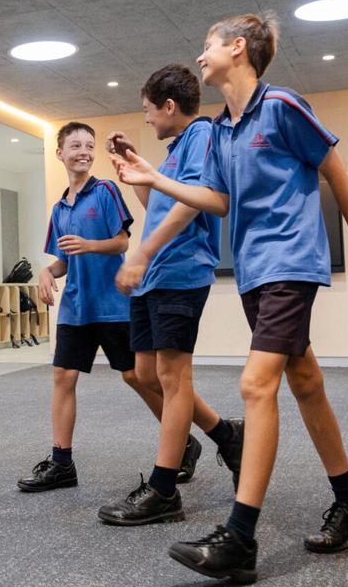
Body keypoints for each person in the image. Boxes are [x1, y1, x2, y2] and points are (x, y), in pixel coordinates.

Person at [113, 12, 348, 583]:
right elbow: (213, 201)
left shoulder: (282, 107)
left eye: (207, 44)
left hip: (292, 261)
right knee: (304, 379)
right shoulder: (222, 130)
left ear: (238, 49)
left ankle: (240, 537)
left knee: (254, 383)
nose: (199, 56)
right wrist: (152, 177)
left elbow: (335, 171)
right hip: (254, 272)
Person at [95, 67, 244, 527]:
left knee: (173, 375)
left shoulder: (201, 136)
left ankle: (162, 491)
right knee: (144, 373)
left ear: (169, 107)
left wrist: (142, 253)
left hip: (180, 271)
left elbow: (191, 203)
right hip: (153, 275)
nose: (147, 120)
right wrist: (133, 168)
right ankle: (226, 434)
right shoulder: (177, 148)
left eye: (148, 112)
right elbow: (156, 204)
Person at [17, 122, 147, 492]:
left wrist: (89, 246)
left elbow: (122, 243)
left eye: (89, 145)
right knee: (64, 377)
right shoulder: (59, 208)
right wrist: (46, 271)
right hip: (76, 306)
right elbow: (63, 259)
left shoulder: (105, 191)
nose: (84, 151)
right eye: (75, 145)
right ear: (59, 153)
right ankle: (62, 464)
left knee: (137, 377)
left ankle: (182, 442)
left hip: (114, 305)